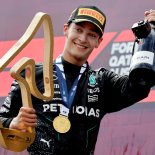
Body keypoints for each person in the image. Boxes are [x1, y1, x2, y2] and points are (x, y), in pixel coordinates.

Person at [0, 5, 155, 155]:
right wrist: (11, 124)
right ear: (66, 30)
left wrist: (151, 34)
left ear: (99, 42)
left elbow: (139, 85)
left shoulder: (102, 81)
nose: (83, 38)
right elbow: (2, 118)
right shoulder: (32, 74)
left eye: (92, 35)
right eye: (78, 30)